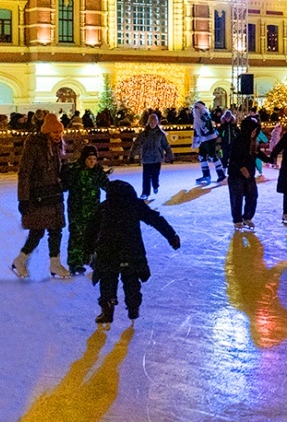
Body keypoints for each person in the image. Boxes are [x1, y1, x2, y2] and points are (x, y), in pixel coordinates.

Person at [87, 180, 180, 326]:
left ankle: (108, 309)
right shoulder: (135, 204)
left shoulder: (104, 207)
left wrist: (87, 250)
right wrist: (172, 236)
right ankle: (133, 307)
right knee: (131, 280)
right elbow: (155, 220)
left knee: (107, 280)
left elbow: (91, 229)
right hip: (131, 249)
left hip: (108, 251)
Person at [12, 113, 71, 279]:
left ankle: (55, 263)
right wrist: (23, 198)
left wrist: (65, 177)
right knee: (37, 231)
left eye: (59, 132)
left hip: (54, 194)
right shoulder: (34, 146)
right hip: (38, 195)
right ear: (46, 132)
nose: (57, 136)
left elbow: (58, 170)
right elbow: (24, 173)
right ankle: (21, 259)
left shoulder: (58, 147)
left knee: (56, 229)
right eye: (54, 133)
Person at [60, 144, 109, 275]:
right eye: (89, 159)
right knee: (77, 235)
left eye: (94, 159)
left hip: (93, 210)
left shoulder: (97, 171)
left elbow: (107, 186)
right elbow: (64, 186)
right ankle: (75, 263)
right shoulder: (75, 171)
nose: (92, 162)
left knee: (93, 235)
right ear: (84, 159)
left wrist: (119, 193)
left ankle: (91, 259)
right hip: (77, 210)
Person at [227, 116, 262, 232]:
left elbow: (257, 153)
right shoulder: (238, 141)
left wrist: (270, 159)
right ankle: (237, 220)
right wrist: (242, 168)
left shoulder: (252, 142)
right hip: (236, 175)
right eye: (253, 130)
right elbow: (234, 158)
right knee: (237, 198)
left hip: (249, 174)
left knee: (252, 195)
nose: (255, 133)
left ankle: (247, 217)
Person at [132, 113, 172, 201]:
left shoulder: (160, 134)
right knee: (146, 176)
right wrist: (132, 155)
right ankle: (145, 192)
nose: (153, 123)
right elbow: (137, 144)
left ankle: (155, 185)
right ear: (148, 122)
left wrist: (170, 155)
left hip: (157, 158)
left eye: (154, 121)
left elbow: (166, 145)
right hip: (146, 158)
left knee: (155, 175)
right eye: (151, 122)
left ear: (157, 122)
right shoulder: (144, 134)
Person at [191, 101, 225, 186]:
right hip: (203, 140)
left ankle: (221, 174)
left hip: (209, 139)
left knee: (212, 156)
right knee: (202, 156)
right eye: (195, 107)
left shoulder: (205, 116)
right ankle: (206, 174)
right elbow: (196, 129)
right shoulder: (197, 117)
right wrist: (195, 141)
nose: (195, 109)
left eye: (197, 107)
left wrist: (200, 138)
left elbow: (206, 130)